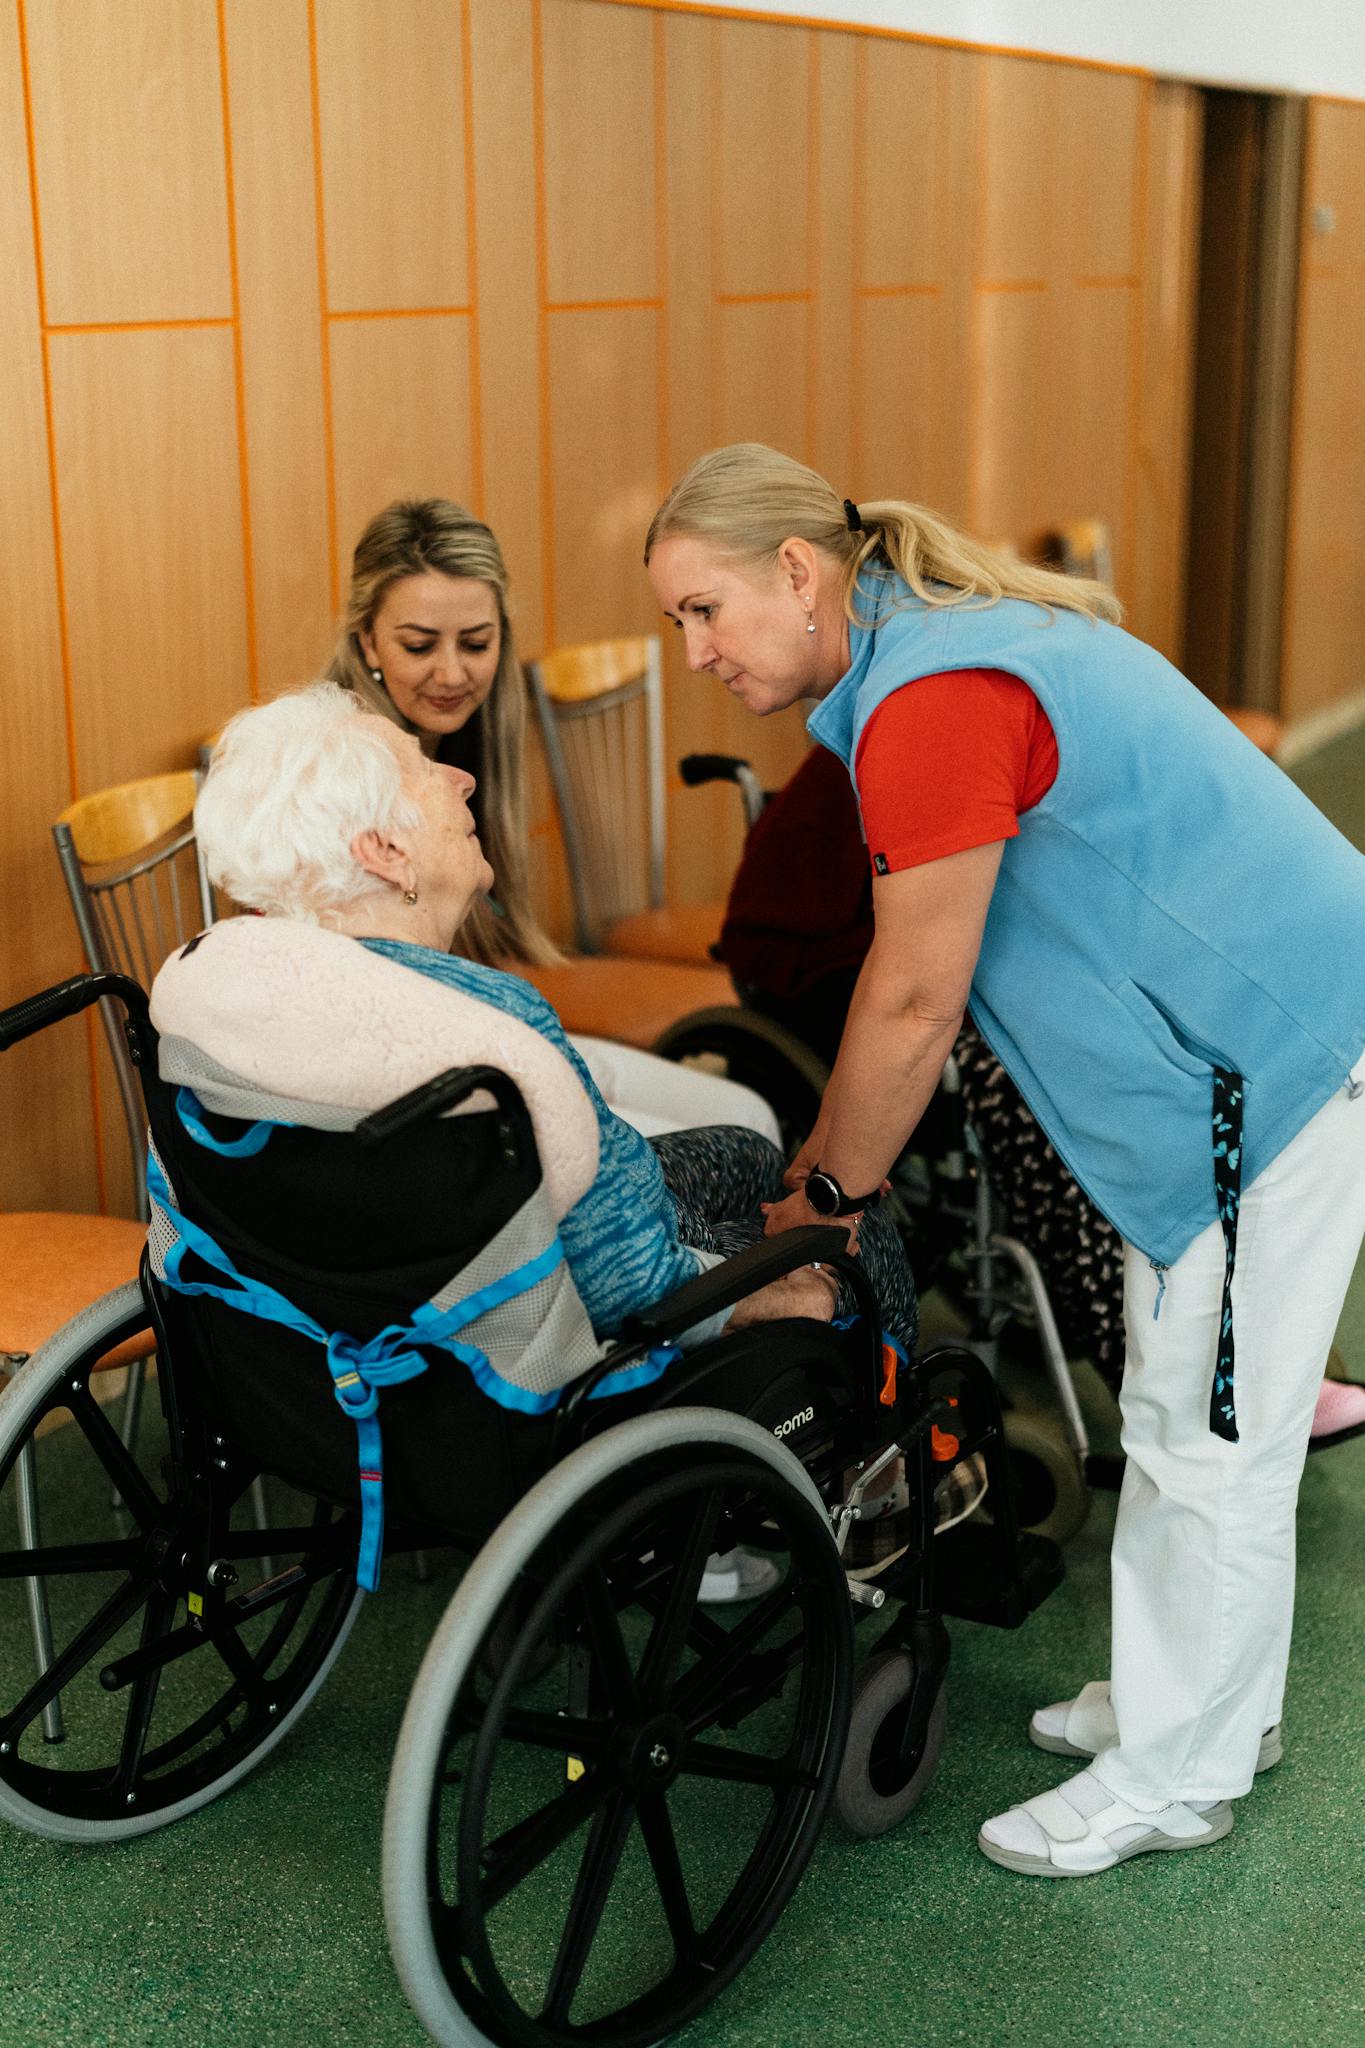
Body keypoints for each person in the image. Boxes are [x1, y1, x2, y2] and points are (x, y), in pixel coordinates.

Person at [646, 441, 1365, 1876]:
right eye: (679, 624)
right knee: (1185, 1411)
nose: (696, 652)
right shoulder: (923, 651)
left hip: (1276, 1062)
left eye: (704, 610)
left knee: (1207, 1432)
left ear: (798, 572)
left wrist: (826, 1205)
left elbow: (915, 999)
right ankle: (1209, 1707)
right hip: (1246, 1061)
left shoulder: (931, 698)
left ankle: (1180, 1773)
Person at [191, 683, 922, 1597]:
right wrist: (785, 1286)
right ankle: (885, 1488)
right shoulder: (486, 1033)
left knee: (743, 1150)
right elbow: (635, 1286)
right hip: (537, 1352)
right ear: (383, 852)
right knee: (850, 1228)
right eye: (426, 772)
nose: (460, 777)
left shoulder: (233, 995)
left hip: (344, 1327)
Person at [718, 743, 1365, 1446]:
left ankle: (1231, 1349)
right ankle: (1164, 1374)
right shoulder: (899, 756)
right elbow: (849, 962)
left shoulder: (1002, 748)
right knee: (1031, 1078)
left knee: (1130, 1044)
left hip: (943, 970)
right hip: (832, 988)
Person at [327, 497, 779, 1148]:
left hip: (489, 1033)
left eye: (477, 643)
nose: (452, 673)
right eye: (419, 645)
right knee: (730, 1138)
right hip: (417, 1080)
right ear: (367, 638)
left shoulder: (471, 736)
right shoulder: (337, 765)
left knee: (749, 1119)